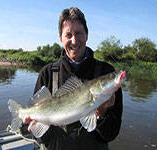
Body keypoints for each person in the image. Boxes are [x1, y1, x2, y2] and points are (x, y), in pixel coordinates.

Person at [23, 7, 123, 150]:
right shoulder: (47, 73)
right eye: (68, 35)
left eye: (79, 33)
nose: (74, 41)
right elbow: (41, 138)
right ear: (60, 38)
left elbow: (111, 134)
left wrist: (102, 113)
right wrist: (39, 127)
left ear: (87, 35)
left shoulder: (106, 71)